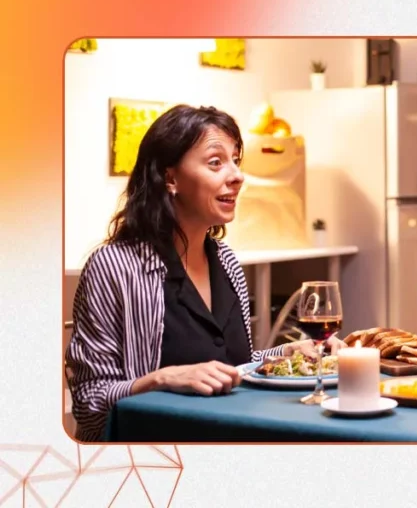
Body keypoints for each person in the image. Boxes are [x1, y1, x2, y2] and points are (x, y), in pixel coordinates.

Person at [65, 104, 344, 442]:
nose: (237, 176)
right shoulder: (114, 267)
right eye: (216, 162)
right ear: (170, 178)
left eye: (235, 161)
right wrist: (160, 379)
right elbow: (89, 404)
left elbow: (234, 365)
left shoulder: (226, 261)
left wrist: (285, 353)